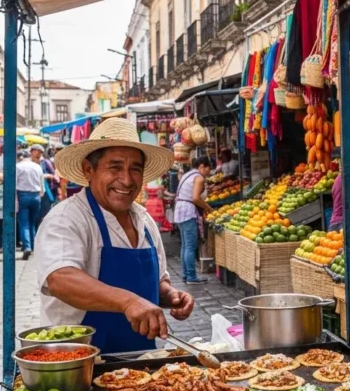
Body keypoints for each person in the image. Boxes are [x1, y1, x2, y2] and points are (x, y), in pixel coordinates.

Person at [34, 118, 194, 354]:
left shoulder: (144, 220)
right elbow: (60, 279)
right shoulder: (66, 218)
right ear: (89, 170)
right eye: (115, 167)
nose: (127, 180)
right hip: (82, 367)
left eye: (135, 169)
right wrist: (128, 301)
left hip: (141, 363)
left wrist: (170, 295)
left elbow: (158, 280)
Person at [174, 157, 213, 284]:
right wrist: (208, 208)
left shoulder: (187, 175)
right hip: (188, 212)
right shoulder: (199, 178)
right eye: (208, 169)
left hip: (179, 211)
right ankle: (191, 276)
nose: (208, 172)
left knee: (185, 245)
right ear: (202, 166)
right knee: (190, 246)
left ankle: (186, 275)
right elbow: (196, 198)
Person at [15, 149, 46, 260]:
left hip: (22, 195)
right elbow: (42, 184)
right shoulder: (37, 167)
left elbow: (14, 183)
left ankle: (27, 246)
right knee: (33, 223)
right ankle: (33, 247)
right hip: (36, 195)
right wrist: (40, 195)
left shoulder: (18, 167)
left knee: (24, 223)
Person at [30, 145, 58, 231]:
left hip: (46, 191)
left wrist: (44, 176)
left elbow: (54, 175)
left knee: (44, 214)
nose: (37, 152)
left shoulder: (45, 162)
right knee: (35, 215)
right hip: (33, 191)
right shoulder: (29, 163)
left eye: (39, 151)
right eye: (35, 151)